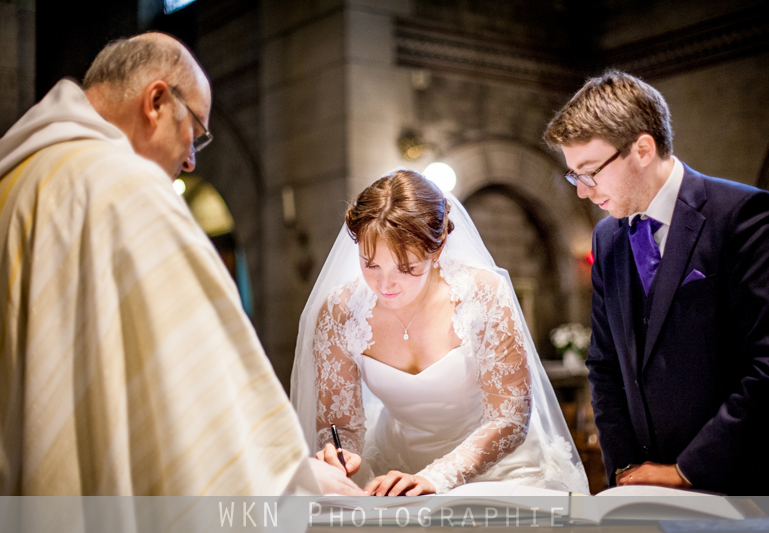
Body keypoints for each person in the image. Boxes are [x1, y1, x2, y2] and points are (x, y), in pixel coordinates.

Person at [0, 32, 359, 496]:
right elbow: (198, 382)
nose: (191, 160)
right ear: (155, 101)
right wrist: (296, 478)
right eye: (195, 131)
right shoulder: (122, 186)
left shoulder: (18, 181)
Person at [543, 70, 769, 495]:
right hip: (645, 487)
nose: (583, 193)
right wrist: (627, 471)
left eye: (590, 172)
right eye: (575, 176)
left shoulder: (742, 216)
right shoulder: (608, 238)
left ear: (642, 148)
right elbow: (605, 367)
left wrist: (687, 470)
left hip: (744, 485)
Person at [291, 169, 589, 496]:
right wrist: (341, 455)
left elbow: (509, 417)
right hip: (394, 469)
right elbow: (341, 426)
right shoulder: (341, 312)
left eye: (407, 268)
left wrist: (439, 477)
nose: (385, 284)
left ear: (438, 246)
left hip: (498, 470)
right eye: (370, 264)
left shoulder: (482, 294)